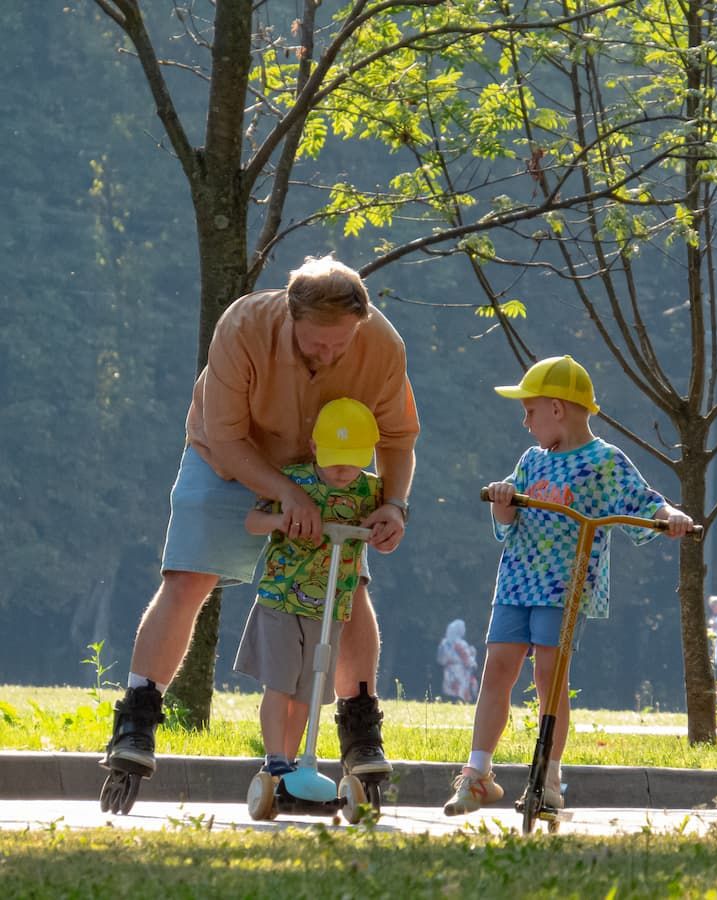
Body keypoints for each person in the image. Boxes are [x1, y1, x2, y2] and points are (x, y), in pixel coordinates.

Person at [103, 255, 419, 785]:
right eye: (316, 343)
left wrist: (394, 504)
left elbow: (398, 438)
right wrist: (287, 494)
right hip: (230, 460)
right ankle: (137, 717)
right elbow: (226, 440)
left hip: (326, 474)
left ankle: (360, 728)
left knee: (347, 587)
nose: (328, 354)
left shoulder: (382, 344)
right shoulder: (243, 326)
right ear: (291, 314)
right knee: (188, 577)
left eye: (340, 344)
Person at [442, 355, 694, 816]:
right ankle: (478, 774)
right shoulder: (531, 460)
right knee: (498, 668)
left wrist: (671, 516)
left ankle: (549, 778)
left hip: (565, 587)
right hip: (517, 581)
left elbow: (643, 500)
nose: (525, 422)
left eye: (530, 411)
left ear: (557, 409)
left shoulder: (604, 461)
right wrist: (502, 501)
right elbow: (507, 518)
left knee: (549, 676)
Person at [233, 398, 382, 776]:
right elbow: (252, 521)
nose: (343, 470)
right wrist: (280, 521)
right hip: (282, 597)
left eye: (353, 460)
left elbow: (391, 517)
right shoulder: (293, 481)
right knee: (279, 684)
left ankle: (293, 759)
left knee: (308, 691)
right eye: (334, 460)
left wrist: (388, 522)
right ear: (314, 447)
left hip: (330, 606)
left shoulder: (369, 491)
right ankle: (275, 759)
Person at [437, 619, 479, 703]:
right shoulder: (461, 644)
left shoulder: (444, 643)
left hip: (448, 671)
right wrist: (473, 656)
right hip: (461, 672)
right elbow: (467, 659)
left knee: (450, 693)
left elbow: (440, 660)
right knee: (461, 693)